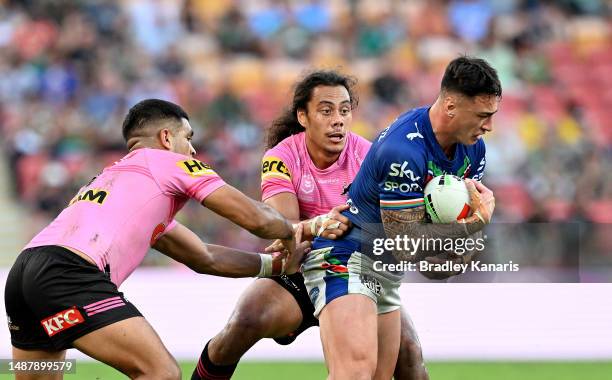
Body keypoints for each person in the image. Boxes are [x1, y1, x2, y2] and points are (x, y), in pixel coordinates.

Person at [4, 99, 309, 380]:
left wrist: (274, 266)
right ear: (166, 138)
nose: (192, 150)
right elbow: (255, 218)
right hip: (69, 274)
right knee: (161, 373)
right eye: (187, 138)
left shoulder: (119, 182)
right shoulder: (168, 163)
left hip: (24, 276)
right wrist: (289, 231)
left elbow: (204, 257)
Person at [192, 70, 428, 380]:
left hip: (353, 273)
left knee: (409, 352)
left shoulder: (370, 155)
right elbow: (285, 229)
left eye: (344, 110)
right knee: (244, 323)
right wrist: (317, 227)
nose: (338, 120)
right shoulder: (281, 157)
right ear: (303, 116)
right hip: (298, 273)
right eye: (326, 110)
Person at [302, 56, 500, 379]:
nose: (489, 126)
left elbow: (431, 262)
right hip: (346, 257)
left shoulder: (474, 151)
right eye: (482, 116)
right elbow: (407, 243)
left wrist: (461, 249)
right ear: (450, 106)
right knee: (354, 374)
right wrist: (473, 225)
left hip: (387, 271)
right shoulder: (403, 150)